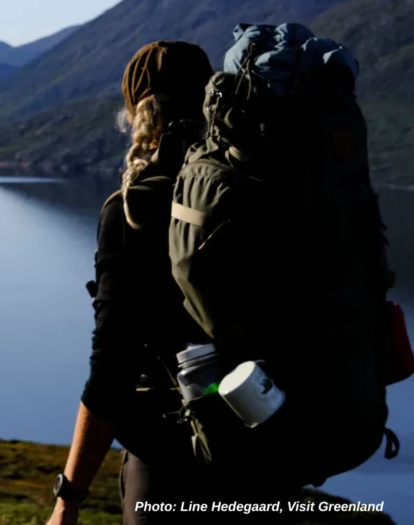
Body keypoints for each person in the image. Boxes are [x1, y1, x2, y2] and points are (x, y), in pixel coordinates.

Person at [46, 41, 296, 525]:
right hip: (268, 443)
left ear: (135, 112)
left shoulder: (133, 211)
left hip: (175, 458)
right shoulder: (259, 188)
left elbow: (111, 373)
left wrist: (68, 499)